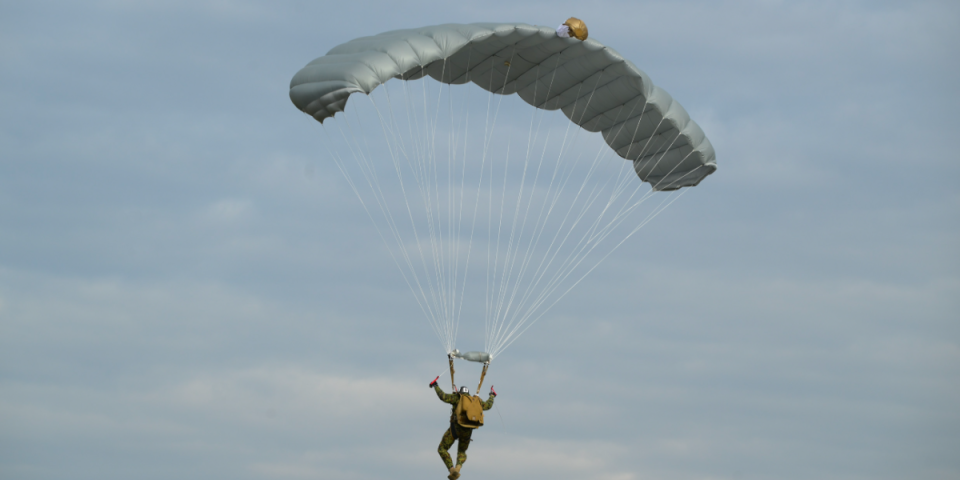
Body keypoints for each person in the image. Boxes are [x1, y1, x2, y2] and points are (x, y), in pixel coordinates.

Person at [430, 376, 496, 479]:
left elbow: (442, 396)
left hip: (455, 429)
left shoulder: (457, 398)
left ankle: (451, 469)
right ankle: (458, 468)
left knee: (442, 449)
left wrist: (435, 385)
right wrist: (492, 396)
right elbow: (488, 405)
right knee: (461, 451)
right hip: (467, 431)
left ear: (460, 392)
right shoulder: (475, 401)